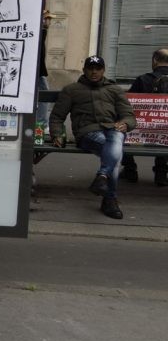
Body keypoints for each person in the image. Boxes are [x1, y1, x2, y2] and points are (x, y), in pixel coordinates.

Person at [49, 55, 135, 220]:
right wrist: (57, 134)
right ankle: (110, 199)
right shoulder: (72, 90)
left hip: (112, 129)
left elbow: (129, 116)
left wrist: (126, 123)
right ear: (84, 70)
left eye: (98, 69)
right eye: (90, 69)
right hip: (87, 132)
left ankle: (102, 177)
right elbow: (57, 117)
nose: (94, 72)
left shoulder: (114, 89)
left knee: (116, 140)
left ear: (103, 70)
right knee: (116, 155)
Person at [121, 48, 168, 186]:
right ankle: (161, 173)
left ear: (154, 61)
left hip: (141, 129)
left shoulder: (143, 79)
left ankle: (130, 170)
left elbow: (127, 104)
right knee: (163, 131)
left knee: (122, 131)